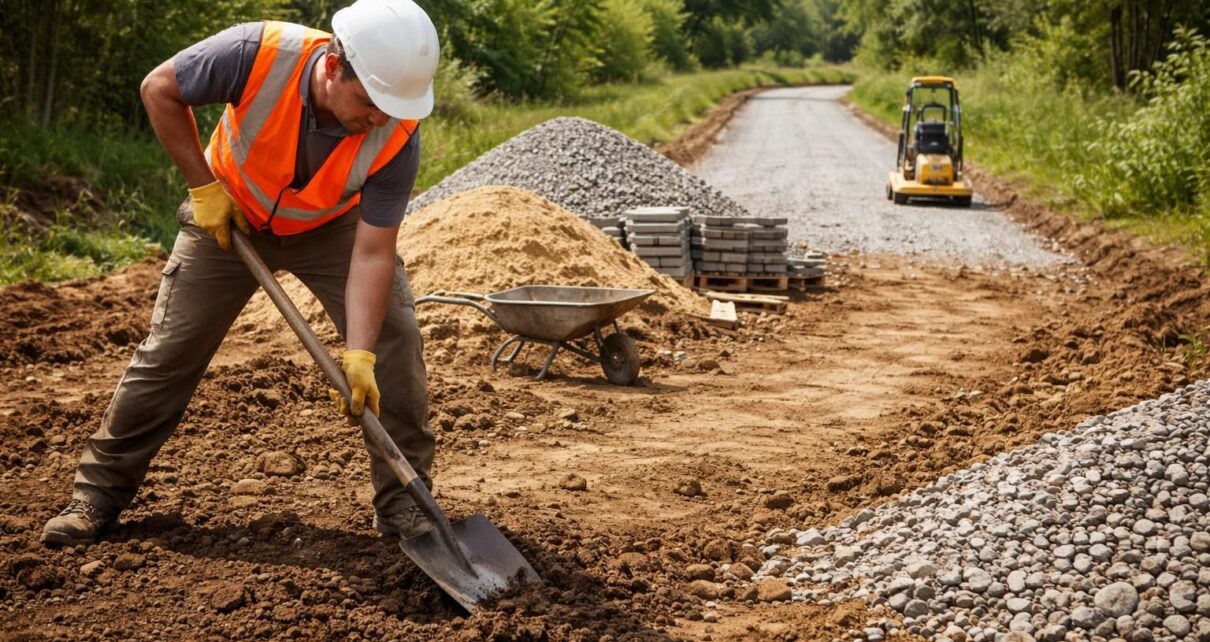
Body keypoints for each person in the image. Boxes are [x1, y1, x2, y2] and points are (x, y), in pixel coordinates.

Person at [41, 0, 440, 546]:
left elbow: (373, 253)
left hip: (331, 228)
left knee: (395, 343)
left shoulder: (398, 133)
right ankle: (96, 496)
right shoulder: (257, 52)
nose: (379, 119)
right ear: (333, 66)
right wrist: (202, 187)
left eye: (392, 109)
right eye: (371, 103)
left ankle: (405, 507)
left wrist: (360, 353)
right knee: (170, 352)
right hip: (228, 213)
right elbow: (159, 88)